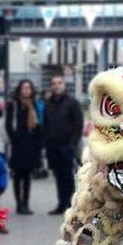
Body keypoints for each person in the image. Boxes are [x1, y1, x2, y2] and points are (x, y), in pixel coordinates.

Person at [44, 75, 83, 214]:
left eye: (59, 83)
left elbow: (78, 125)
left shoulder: (72, 102)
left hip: (67, 146)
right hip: (52, 146)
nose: (56, 85)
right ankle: (61, 204)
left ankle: (71, 205)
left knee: (67, 176)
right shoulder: (49, 102)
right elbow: (46, 123)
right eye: (54, 83)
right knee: (58, 176)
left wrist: (72, 143)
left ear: (64, 85)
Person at [5, 79, 43, 214]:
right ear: (20, 90)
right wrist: (15, 140)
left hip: (30, 145)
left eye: (28, 88)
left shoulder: (34, 105)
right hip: (18, 145)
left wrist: (38, 143)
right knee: (17, 175)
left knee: (27, 175)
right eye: (24, 88)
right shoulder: (13, 104)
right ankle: (19, 204)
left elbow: (38, 125)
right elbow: (8, 125)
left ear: (31, 90)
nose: (26, 90)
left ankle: (26, 203)